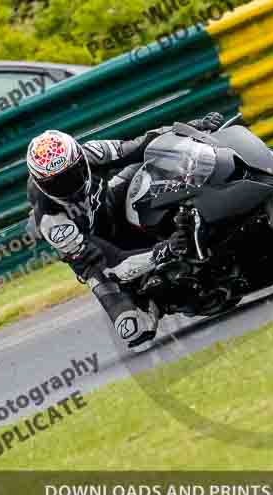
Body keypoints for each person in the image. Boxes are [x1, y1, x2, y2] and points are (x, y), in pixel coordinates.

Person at [25, 112, 226, 349]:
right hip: (99, 257)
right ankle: (156, 298)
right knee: (134, 329)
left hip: (111, 209)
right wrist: (165, 250)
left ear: (80, 159)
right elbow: (113, 265)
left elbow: (143, 143)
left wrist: (195, 125)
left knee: (145, 169)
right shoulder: (53, 222)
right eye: (56, 183)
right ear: (40, 184)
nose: (69, 186)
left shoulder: (92, 153)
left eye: (72, 174)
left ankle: (199, 209)